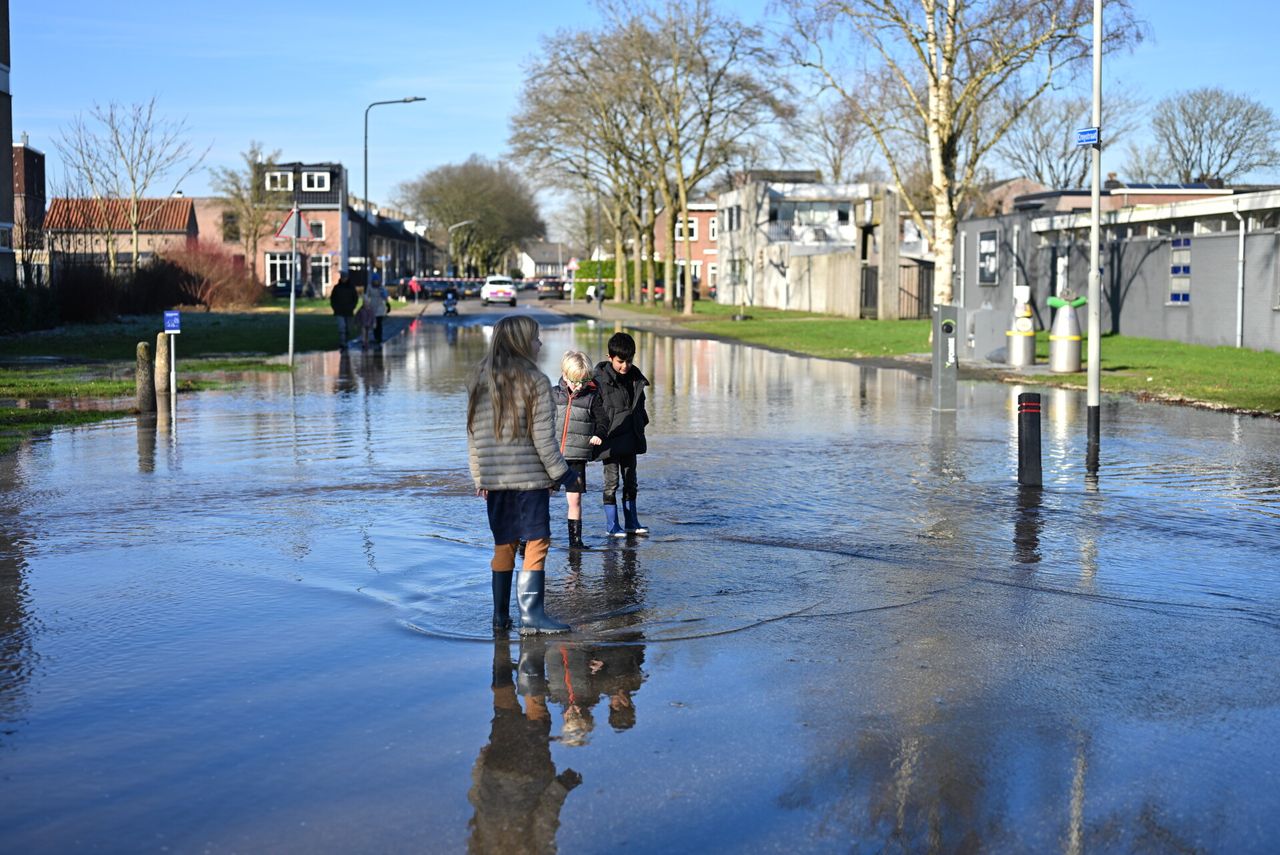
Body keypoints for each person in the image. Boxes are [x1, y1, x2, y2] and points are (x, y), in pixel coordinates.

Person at [467, 315, 579, 634]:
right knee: (538, 540)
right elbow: (543, 440)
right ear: (521, 343)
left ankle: (500, 617)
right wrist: (564, 474)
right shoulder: (536, 381)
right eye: (535, 338)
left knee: (504, 544)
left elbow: (473, 434)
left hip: (496, 480)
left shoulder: (481, 378)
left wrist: (479, 476)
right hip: (529, 480)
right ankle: (532, 617)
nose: (540, 344)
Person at [593, 332, 650, 537]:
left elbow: (640, 404)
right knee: (611, 483)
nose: (625, 366)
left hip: (631, 436)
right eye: (620, 362)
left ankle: (632, 522)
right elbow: (593, 409)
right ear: (609, 357)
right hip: (610, 439)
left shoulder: (635, 378)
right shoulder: (599, 381)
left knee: (631, 481)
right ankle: (612, 526)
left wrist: (642, 421)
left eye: (629, 360)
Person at [551, 351, 606, 550]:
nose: (579, 386)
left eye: (584, 381)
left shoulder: (592, 397)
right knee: (540, 497)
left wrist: (599, 434)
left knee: (575, 499)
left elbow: (603, 421)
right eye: (575, 381)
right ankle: (528, 537)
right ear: (564, 375)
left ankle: (575, 542)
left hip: (576, 457)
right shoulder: (552, 395)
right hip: (552, 456)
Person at [328, 270, 357, 350]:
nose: (344, 279)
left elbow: (355, 298)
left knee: (348, 328)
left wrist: (352, 306)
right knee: (342, 327)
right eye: (343, 277)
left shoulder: (351, 288)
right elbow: (332, 299)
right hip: (339, 311)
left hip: (349, 311)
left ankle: (346, 341)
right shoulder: (337, 288)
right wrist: (335, 307)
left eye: (345, 277)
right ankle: (342, 342)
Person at [365, 276, 391, 343]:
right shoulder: (370, 287)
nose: (376, 282)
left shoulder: (381, 287)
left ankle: (379, 337)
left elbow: (385, 296)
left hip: (380, 307)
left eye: (377, 280)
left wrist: (387, 304)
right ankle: (376, 336)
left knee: (379, 323)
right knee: (374, 323)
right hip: (373, 306)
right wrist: (366, 303)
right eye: (374, 280)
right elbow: (367, 296)